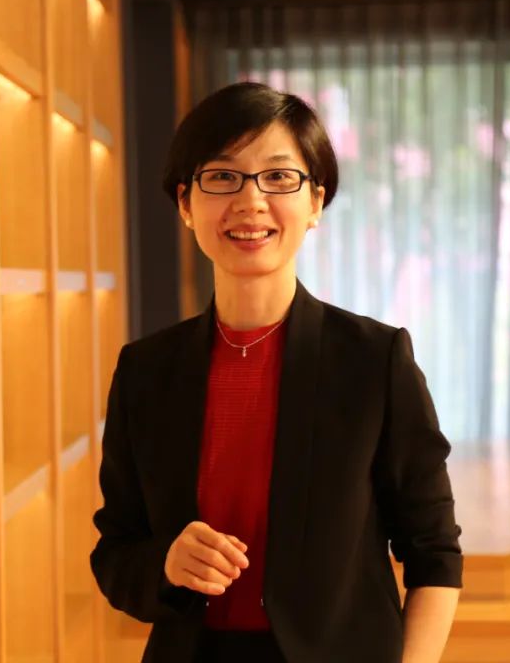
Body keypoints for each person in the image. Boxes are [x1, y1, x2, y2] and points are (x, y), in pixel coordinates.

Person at [90, 81, 462, 662]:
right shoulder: (145, 371)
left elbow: (433, 551)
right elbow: (116, 553)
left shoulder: (373, 359)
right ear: (186, 203)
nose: (251, 200)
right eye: (222, 176)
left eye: (279, 177)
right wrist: (165, 563)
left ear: (315, 202)